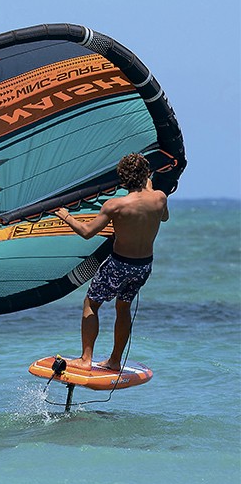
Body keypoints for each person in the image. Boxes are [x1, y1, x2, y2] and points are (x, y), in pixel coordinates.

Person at [55, 153, 169, 371]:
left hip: (119, 264)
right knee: (123, 307)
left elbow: (87, 232)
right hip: (143, 266)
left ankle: (85, 359)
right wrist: (151, 188)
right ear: (146, 174)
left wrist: (65, 216)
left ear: (123, 178)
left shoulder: (115, 205)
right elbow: (163, 217)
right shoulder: (160, 198)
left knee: (91, 304)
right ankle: (115, 361)